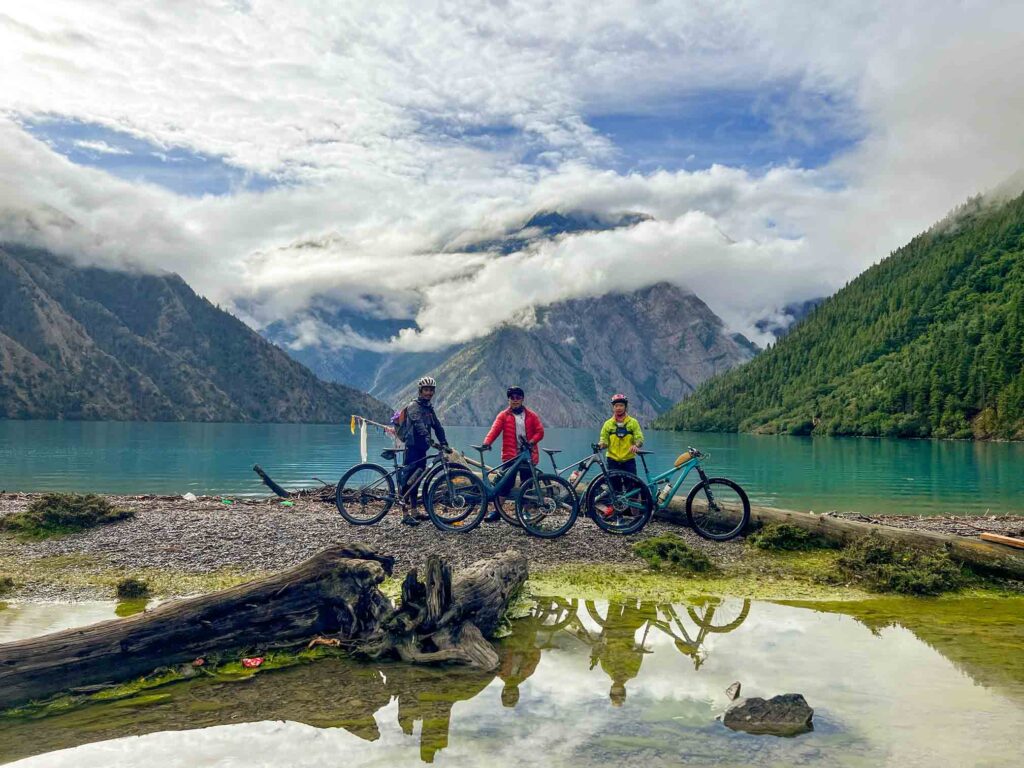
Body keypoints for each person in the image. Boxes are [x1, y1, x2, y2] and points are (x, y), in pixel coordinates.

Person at [480, 386, 545, 522]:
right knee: (505, 483)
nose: (515, 400)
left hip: (528, 454)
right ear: (508, 400)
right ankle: (497, 512)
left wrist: (531, 442)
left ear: (522, 399)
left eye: (518, 397)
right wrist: (487, 442)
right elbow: (494, 430)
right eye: (512, 398)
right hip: (511, 456)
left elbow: (540, 432)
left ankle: (525, 512)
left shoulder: (531, 415)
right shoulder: (503, 415)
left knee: (527, 484)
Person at [400, 375, 448, 526]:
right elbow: (418, 424)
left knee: (417, 480)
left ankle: (415, 511)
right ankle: (405, 514)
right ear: (420, 391)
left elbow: (437, 426)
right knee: (407, 480)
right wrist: (429, 439)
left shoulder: (428, 408)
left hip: (422, 449)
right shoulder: (413, 406)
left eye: (431, 390)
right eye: (426, 390)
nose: (428, 393)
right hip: (412, 448)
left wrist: (444, 442)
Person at [597, 393, 644, 476]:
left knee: (632, 486)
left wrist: (636, 445)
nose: (618, 408)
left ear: (625, 407)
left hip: (629, 460)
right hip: (612, 460)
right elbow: (604, 440)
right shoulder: (608, 424)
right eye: (616, 406)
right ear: (613, 407)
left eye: (621, 405)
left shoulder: (633, 423)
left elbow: (639, 438)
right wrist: (601, 445)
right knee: (615, 486)